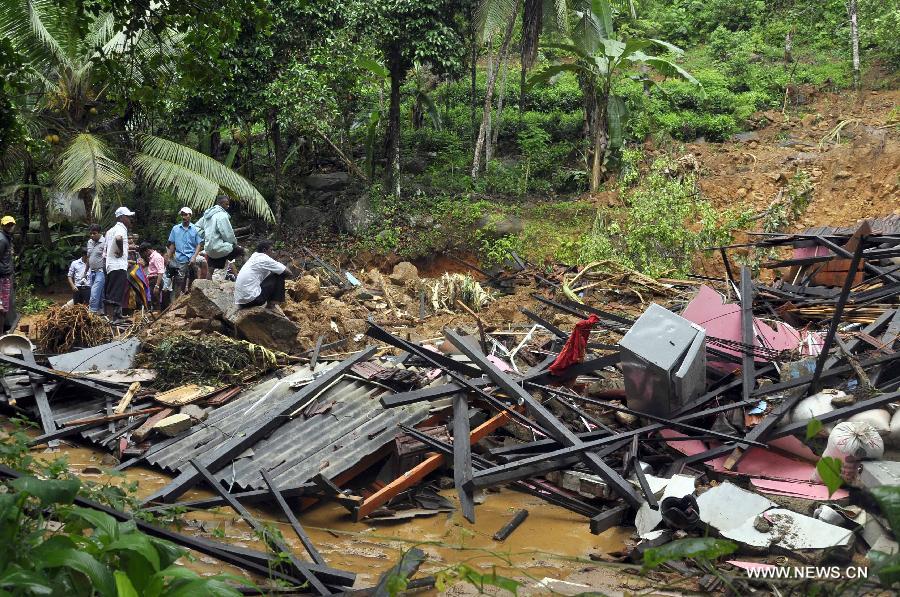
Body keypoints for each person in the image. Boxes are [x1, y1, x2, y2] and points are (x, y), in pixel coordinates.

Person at [234, 240, 292, 313]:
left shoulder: (254, 257)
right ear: (265, 250)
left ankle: (271, 304)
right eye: (271, 250)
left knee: (273, 274)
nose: (273, 252)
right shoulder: (264, 258)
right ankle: (271, 305)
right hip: (252, 300)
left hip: (241, 302)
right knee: (279, 275)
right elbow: (288, 273)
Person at [196, 195, 244, 278]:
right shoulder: (222, 215)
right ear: (221, 204)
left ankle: (206, 287)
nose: (228, 206)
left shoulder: (207, 215)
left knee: (211, 269)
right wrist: (234, 243)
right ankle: (244, 276)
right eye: (226, 204)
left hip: (209, 249)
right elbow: (227, 233)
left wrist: (206, 235)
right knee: (243, 251)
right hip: (220, 248)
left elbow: (196, 227)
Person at [165, 206, 206, 299]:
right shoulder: (175, 229)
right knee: (178, 281)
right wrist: (169, 257)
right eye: (182, 215)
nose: (184, 217)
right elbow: (172, 244)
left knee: (198, 272)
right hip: (180, 258)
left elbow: (199, 244)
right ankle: (176, 302)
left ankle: (195, 296)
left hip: (192, 256)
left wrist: (194, 256)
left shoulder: (195, 229)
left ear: (190, 215)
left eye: (186, 215)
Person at [103, 206, 134, 320]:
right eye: (128, 217)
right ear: (121, 218)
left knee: (113, 290)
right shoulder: (121, 228)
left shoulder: (110, 230)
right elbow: (119, 238)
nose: (130, 219)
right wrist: (121, 251)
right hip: (118, 265)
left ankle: (115, 315)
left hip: (111, 265)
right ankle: (112, 318)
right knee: (115, 292)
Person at [0, 216, 16, 333]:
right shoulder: (2, 240)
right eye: (7, 225)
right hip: (2, 276)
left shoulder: (7, 238)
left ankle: (4, 329)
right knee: (2, 306)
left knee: (5, 305)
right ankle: (1, 334)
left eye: (11, 224)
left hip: (6, 274)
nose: (9, 226)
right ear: (2, 225)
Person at [139, 242, 165, 309]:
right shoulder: (152, 257)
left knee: (156, 301)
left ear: (147, 250)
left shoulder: (156, 257)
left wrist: (157, 285)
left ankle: (157, 316)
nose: (144, 255)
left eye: (144, 253)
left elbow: (160, 271)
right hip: (152, 280)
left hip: (155, 280)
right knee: (153, 300)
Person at [86, 223, 105, 313]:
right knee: (99, 293)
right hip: (91, 271)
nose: (92, 235)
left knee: (94, 292)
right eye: (91, 233)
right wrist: (85, 272)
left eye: (94, 233)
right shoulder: (89, 242)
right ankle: (101, 312)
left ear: (99, 233)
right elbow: (88, 258)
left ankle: (91, 312)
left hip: (100, 271)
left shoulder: (104, 242)